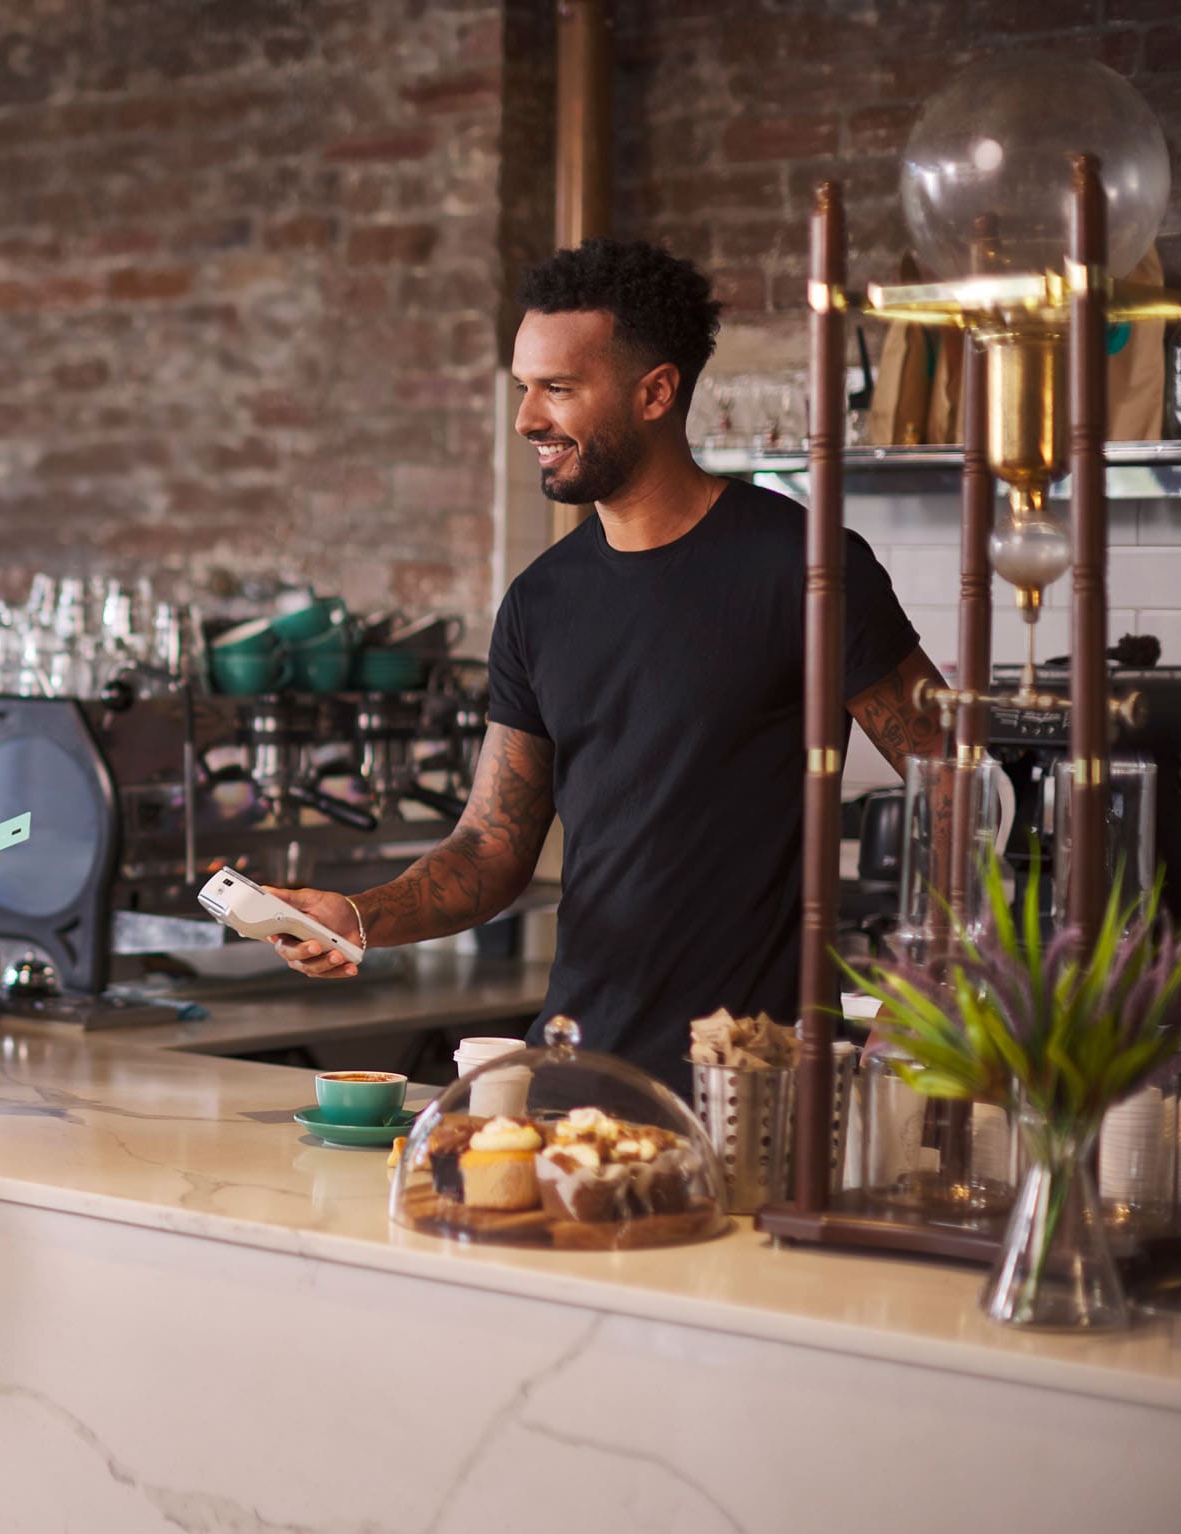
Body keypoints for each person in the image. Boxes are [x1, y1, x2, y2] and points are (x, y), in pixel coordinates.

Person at [268, 240, 946, 1090]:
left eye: (558, 388)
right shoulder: (540, 603)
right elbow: (488, 847)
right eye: (525, 387)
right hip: (575, 1071)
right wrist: (356, 917)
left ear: (655, 391)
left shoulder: (806, 569)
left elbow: (957, 783)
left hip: (746, 1084)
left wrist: (921, 998)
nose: (526, 420)